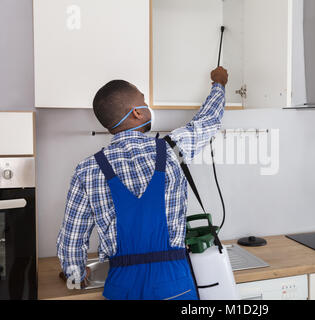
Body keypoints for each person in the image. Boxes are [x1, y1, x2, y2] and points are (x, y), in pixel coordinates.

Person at [56, 67, 228, 300]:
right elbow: (207, 121)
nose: (148, 105)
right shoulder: (171, 150)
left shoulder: (87, 170)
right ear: (137, 113)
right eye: (144, 101)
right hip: (174, 285)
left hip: (122, 289)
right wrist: (219, 84)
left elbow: (72, 238)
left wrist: (75, 272)